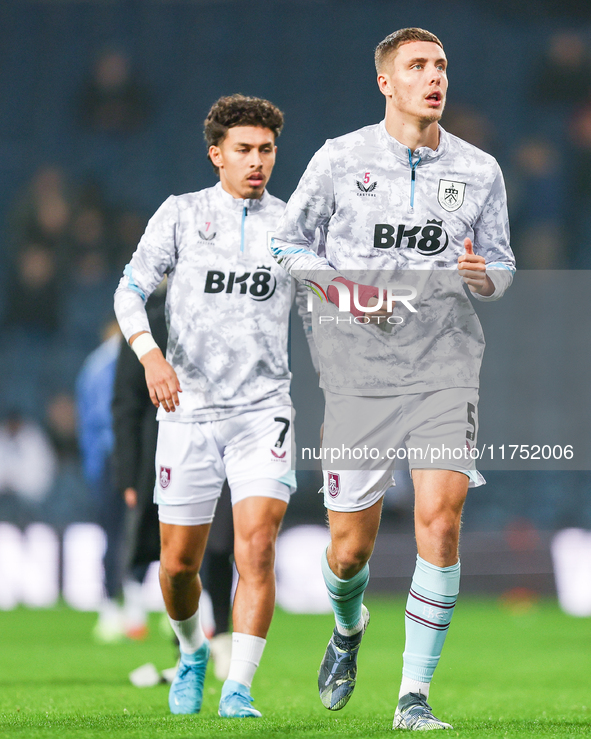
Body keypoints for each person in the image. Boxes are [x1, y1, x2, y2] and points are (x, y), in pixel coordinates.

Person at [270, 28, 515, 730]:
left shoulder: (479, 170)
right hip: (357, 371)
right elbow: (287, 241)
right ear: (386, 82)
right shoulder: (339, 159)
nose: (433, 77)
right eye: (417, 66)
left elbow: (501, 265)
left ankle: (413, 696)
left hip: (444, 364)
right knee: (349, 550)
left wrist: (485, 278)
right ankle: (347, 629)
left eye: (440, 65)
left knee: (441, 519)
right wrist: (345, 293)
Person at [114, 94, 301, 718]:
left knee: (257, 549)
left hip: (262, 410)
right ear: (216, 154)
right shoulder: (181, 215)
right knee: (177, 566)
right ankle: (193, 650)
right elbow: (130, 292)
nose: (257, 161)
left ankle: (239, 685)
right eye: (244, 150)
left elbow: (331, 297)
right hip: (189, 411)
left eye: (266, 150)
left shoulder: (292, 224)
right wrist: (150, 356)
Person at [112, 282, 235, 677]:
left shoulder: (226, 313)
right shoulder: (146, 325)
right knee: (177, 556)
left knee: (219, 546)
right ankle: (187, 646)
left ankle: (223, 637)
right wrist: (130, 473)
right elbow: (126, 402)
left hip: (223, 446)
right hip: (162, 455)